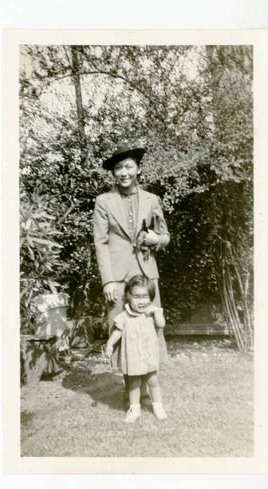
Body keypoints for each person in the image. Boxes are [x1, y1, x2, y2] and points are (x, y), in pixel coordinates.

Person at [93, 145, 170, 408]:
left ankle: (149, 393)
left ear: (138, 169)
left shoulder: (152, 199)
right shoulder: (104, 201)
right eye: (118, 168)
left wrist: (155, 238)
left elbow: (165, 236)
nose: (123, 172)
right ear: (113, 173)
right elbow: (100, 243)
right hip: (117, 276)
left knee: (149, 330)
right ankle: (131, 395)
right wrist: (108, 280)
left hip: (146, 275)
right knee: (121, 328)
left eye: (128, 167)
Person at [105, 275, 167, 423]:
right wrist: (110, 344)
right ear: (128, 296)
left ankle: (158, 407)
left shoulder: (152, 313)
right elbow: (118, 331)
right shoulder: (125, 316)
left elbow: (161, 324)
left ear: (151, 297)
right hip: (133, 357)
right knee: (134, 384)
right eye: (136, 297)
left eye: (145, 297)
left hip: (149, 354)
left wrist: (157, 312)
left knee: (153, 381)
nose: (141, 301)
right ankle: (135, 409)